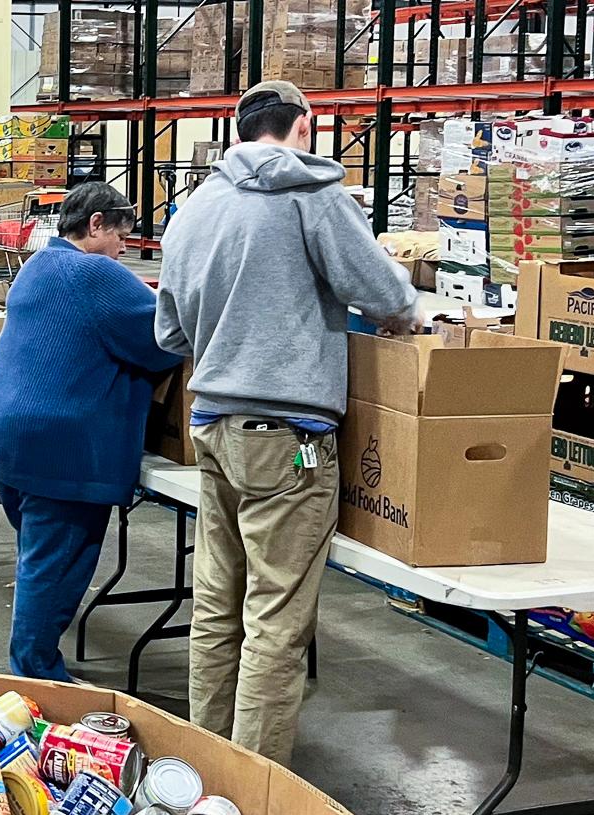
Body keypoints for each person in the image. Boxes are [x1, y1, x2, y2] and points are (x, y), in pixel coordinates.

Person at [155, 81, 418, 764]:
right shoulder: (314, 196)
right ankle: (253, 787)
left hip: (210, 425)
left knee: (217, 605)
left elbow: (169, 336)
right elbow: (385, 292)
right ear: (305, 126)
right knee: (276, 616)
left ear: (237, 129)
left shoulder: (194, 208)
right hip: (288, 437)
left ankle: (207, 770)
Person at [0, 183, 181, 681]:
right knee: (55, 565)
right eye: (120, 235)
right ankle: (36, 680)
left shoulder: (36, 266)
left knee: (39, 558)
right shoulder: (96, 272)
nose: (124, 247)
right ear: (95, 225)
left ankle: (34, 665)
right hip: (58, 448)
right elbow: (165, 339)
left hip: (1, 431)